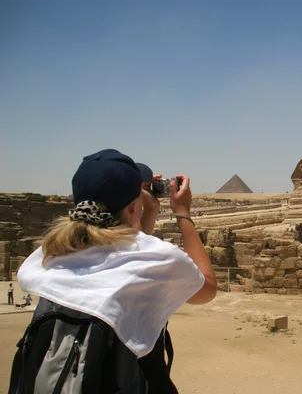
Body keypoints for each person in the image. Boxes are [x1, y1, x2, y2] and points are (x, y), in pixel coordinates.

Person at [12, 149, 217, 392]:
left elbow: (124, 251)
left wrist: (145, 212)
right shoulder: (156, 257)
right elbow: (206, 289)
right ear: (132, 208)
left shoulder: (50, 254)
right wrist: (182, 212)